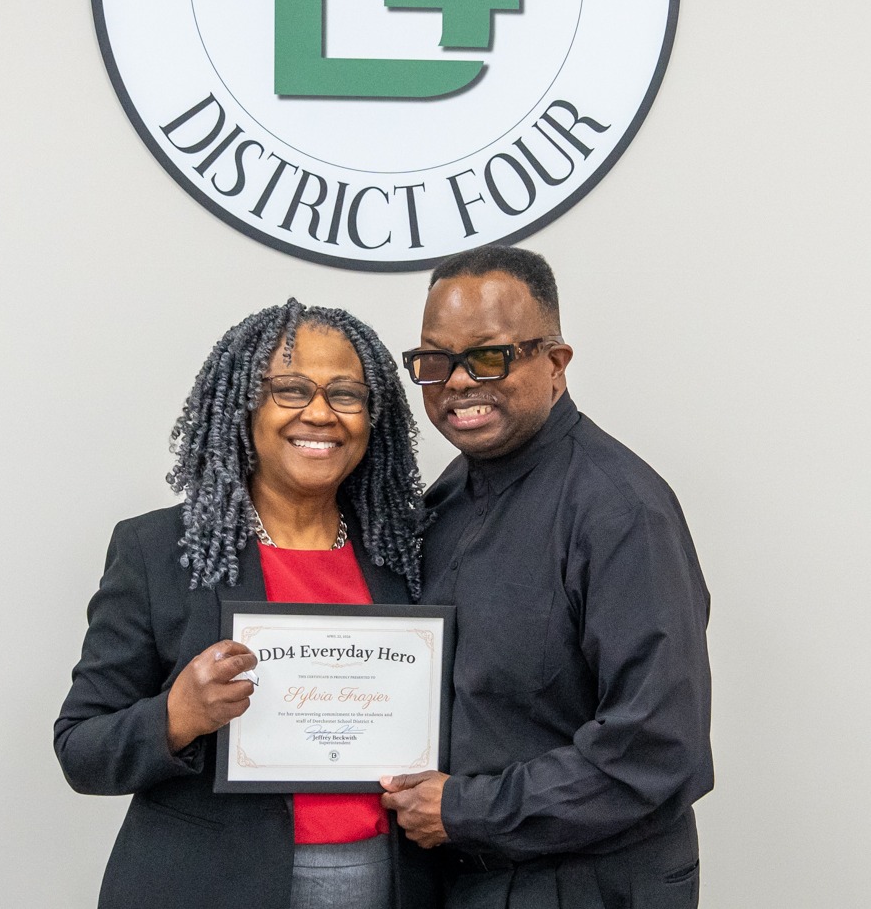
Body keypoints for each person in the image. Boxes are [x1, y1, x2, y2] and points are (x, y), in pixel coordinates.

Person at [55, 299, 437, 909]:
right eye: (290, 390)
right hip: (209, 886)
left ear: (373, 416)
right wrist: (176, 717)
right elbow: (81, 750)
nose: (320, 413)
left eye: (346, 394)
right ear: (244, 407)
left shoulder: (409, 553)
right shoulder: (157, 551)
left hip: (390, 881)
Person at [381, 246, 713, 908]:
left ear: (555, 363)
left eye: (489, 356)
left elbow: (655, 747)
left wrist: (467, 809)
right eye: (435, 361)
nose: (457, 382)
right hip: (461, 876)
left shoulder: (621, 511)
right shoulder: (445, 500)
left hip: (588, 884)